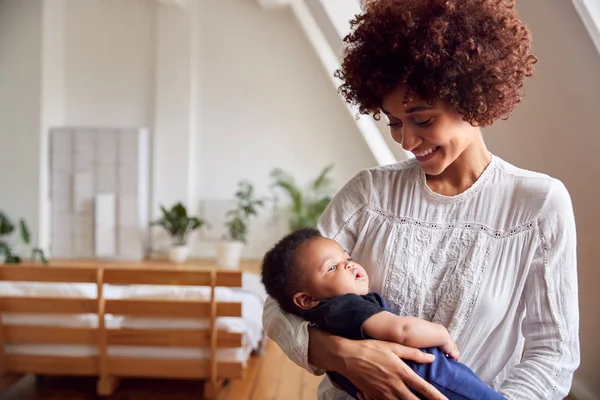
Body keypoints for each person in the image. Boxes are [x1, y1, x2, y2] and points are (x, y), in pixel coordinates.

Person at [262, 0, 580, 399]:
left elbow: (554, 354)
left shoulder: (537, 205)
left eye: (422, 119)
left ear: (471, 96)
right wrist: (346, 356)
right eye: (394, 122)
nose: (406, 141)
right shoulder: (368, 194)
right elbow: (277, 306)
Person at [261, 227, 507, 400]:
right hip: (433, 376)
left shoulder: (321, 322)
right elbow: (402, 331)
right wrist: (442, 334)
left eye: (347, 258)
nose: (349, 264)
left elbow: (337, 379)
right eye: (333, 267)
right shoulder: (346, 306)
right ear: (306, 299)